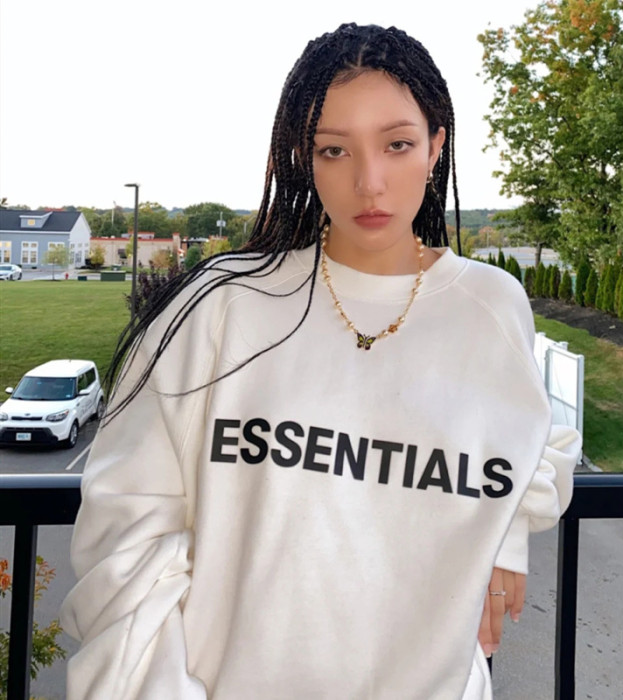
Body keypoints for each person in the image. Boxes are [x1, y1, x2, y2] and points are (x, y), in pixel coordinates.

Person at [60, 23, 581, 700]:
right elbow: (126, 529)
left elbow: (532, 443)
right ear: (305, 159)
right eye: (335, 150)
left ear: (436, 146)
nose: (369, 182)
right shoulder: (224, 306)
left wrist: (505, 526)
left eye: (397, 144)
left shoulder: (491, 306)